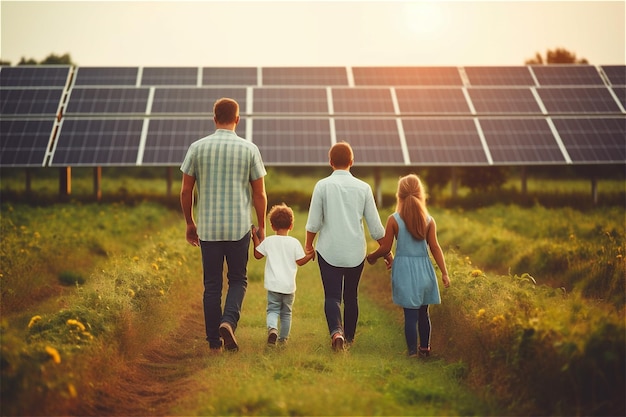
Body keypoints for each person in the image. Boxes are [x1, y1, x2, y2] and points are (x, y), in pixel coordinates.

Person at [180, 97, 267, 353]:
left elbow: (186, 191)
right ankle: (228, 322)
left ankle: (213, 342)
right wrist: (261, 227)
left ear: (214, 118)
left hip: (208, 228)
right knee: (238, 279)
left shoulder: (197, 148)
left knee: (212, 285)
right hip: (239, 227)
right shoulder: (249, 149)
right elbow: (260, 194)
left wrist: (189, 222)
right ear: (237, 119)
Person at [305, 141, 386, 351]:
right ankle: (349, 339)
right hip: (355, 253)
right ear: (352, 161)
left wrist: (308, 245)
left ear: (330, 162)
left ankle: (336, 332)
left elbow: (314, 222)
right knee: (351, 296)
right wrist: (386, 250)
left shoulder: (322, 185)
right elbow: (376, 227)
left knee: (332, 296)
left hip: (329, 251)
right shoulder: (364, 188)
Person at [366, 174, 450, 358]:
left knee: (410, 316)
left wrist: (371, 257)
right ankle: (425, 350)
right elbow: (435, 247)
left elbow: (386, 247)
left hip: (404, 270)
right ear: (421, 194)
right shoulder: (429, 220)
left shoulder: (394, 219)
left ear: (399, 195)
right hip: (424, 270)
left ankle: (412, 352)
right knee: (423, 313)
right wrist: (444, 273)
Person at [251, 203, 315, 345]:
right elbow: (300, 261)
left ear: (272, 226)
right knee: (286, 314)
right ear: (291, 226)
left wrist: (255, 238)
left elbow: (257, 255)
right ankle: (282, 340)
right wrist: (310, 255)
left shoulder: (269, 241)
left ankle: (272, 329)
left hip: (273, 285)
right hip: (288, 286)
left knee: (272, 310)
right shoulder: (294, 243)